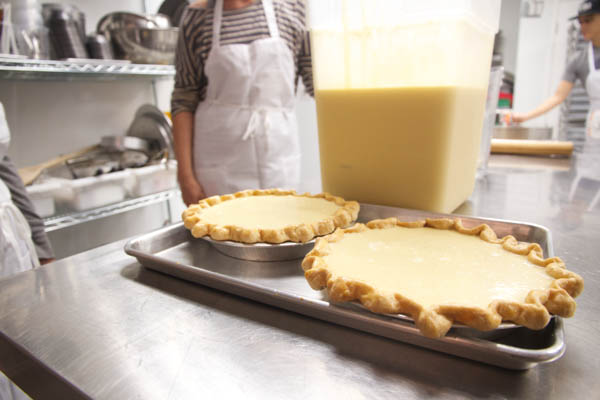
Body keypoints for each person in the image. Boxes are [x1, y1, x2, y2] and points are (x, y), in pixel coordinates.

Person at [171, 0, 313, 205]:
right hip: (219, 164)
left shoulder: (292, 8)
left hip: (278, 158)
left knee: (281, 218)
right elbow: (184, 98)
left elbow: (319, 82)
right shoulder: (197, 17)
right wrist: (185, 177)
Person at [511, 0, 600, 140]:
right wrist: (525, 117)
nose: (583, 26)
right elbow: (558, 96)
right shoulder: (579, 60)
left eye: (588, 21)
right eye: (580, 22)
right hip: (595, 129)